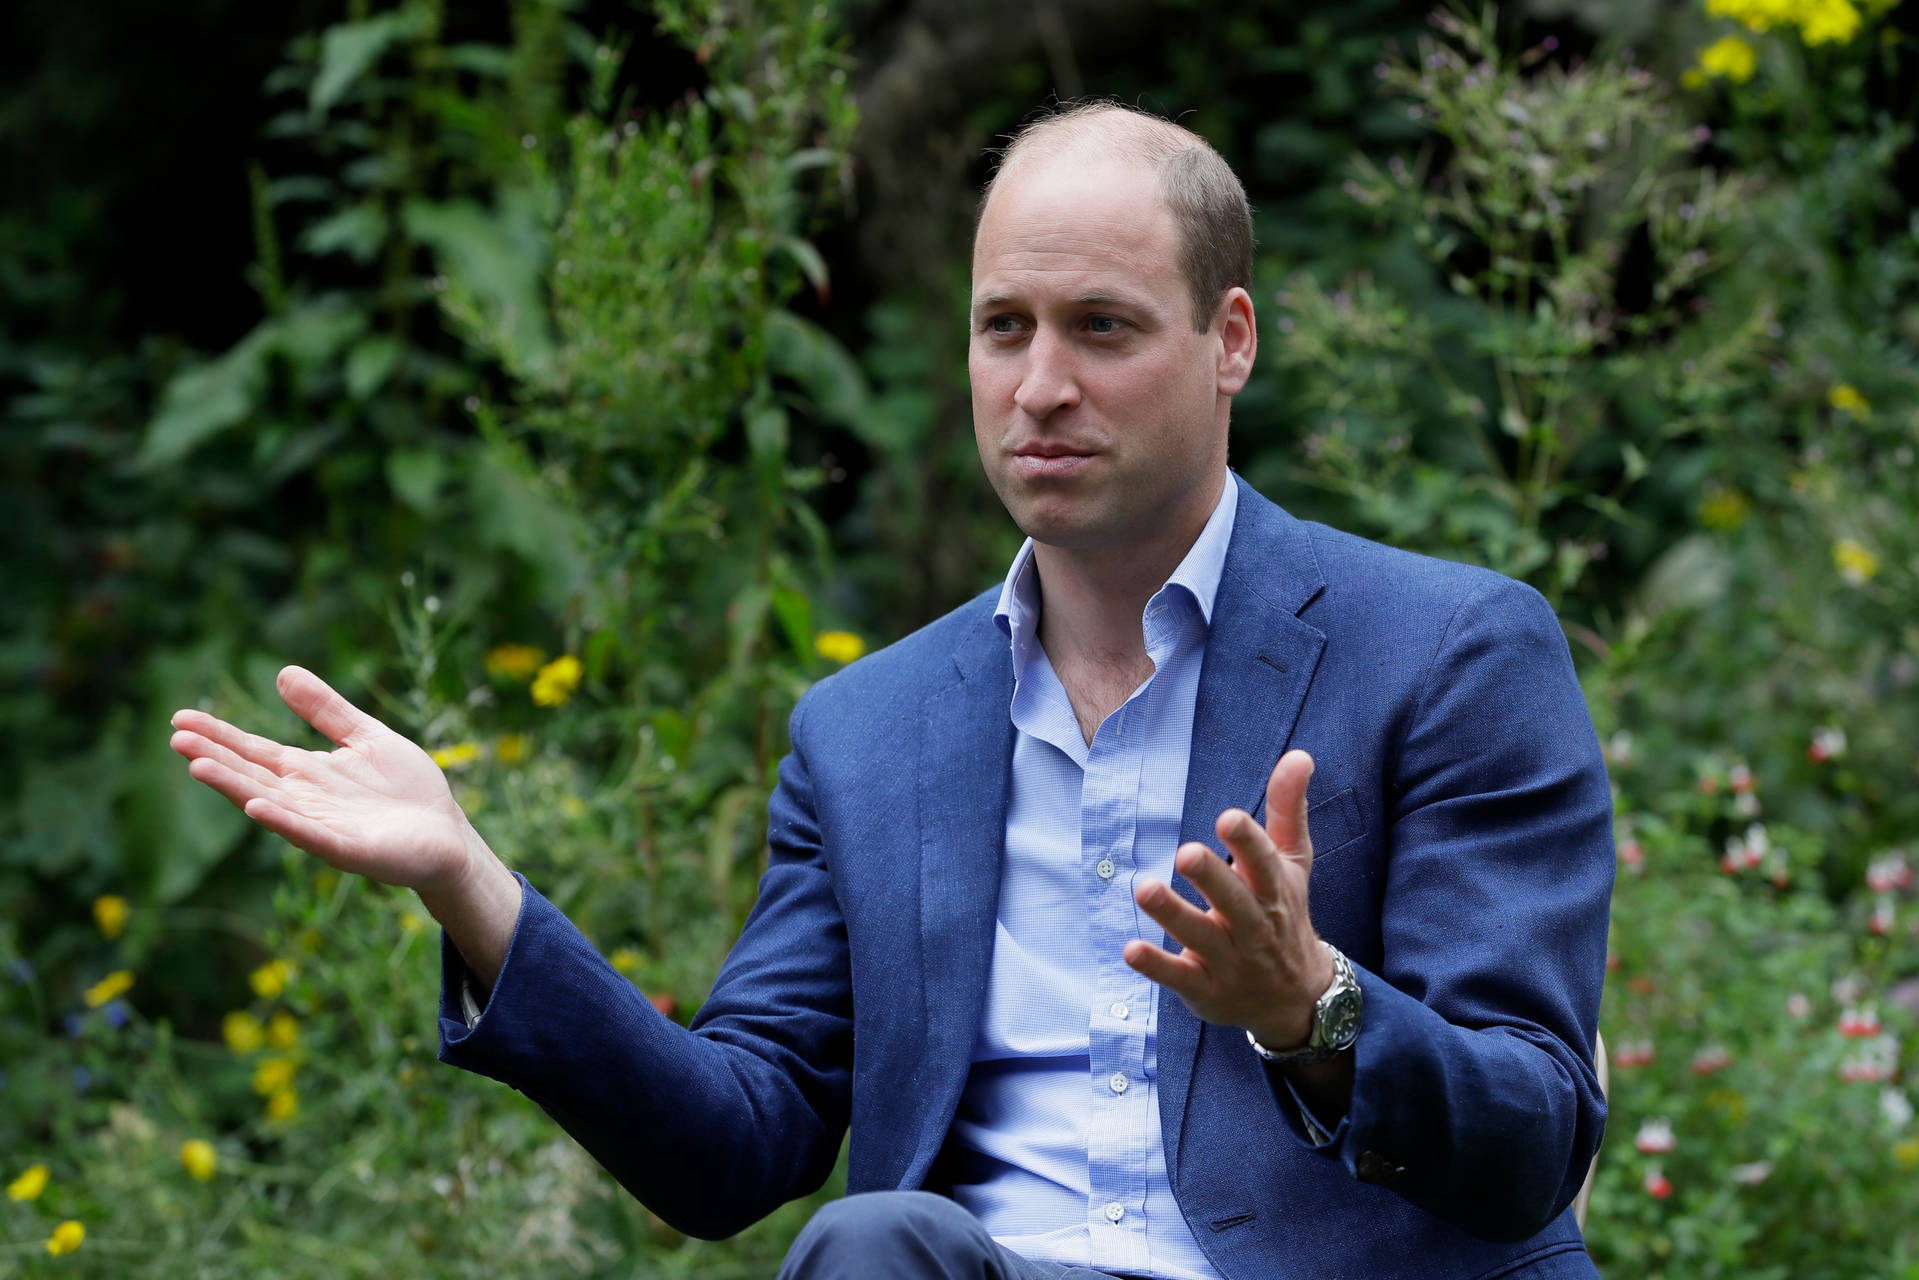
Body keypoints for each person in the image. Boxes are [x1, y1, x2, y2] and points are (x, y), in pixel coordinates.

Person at [170, 102, 1613, 1279]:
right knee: (874, 1242)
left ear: (1229, 339)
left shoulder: (1450, 652)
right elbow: (733, 1148)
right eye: (1005, 328)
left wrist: (1313, 1010)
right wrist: (469, 881)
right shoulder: (870, 729)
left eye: (1102, 328)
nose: (1041, 384)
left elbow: (1533, 1141)